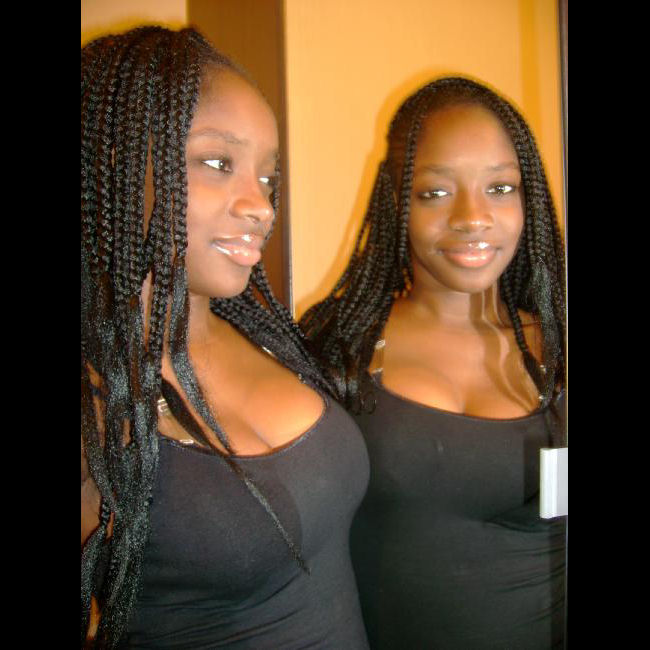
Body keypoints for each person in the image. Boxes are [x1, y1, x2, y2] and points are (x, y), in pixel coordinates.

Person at [81, 26, 370, 649]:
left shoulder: (267, 340)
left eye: (268, 178)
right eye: (218, 163)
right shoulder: (95, 408)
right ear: (116, 163)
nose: (262, 206)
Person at [300, 77, 566, 648]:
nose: (473, 217)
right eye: (435, 192)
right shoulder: (339, 344)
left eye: (501, 187)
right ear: (397, 201)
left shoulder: (559, 347)